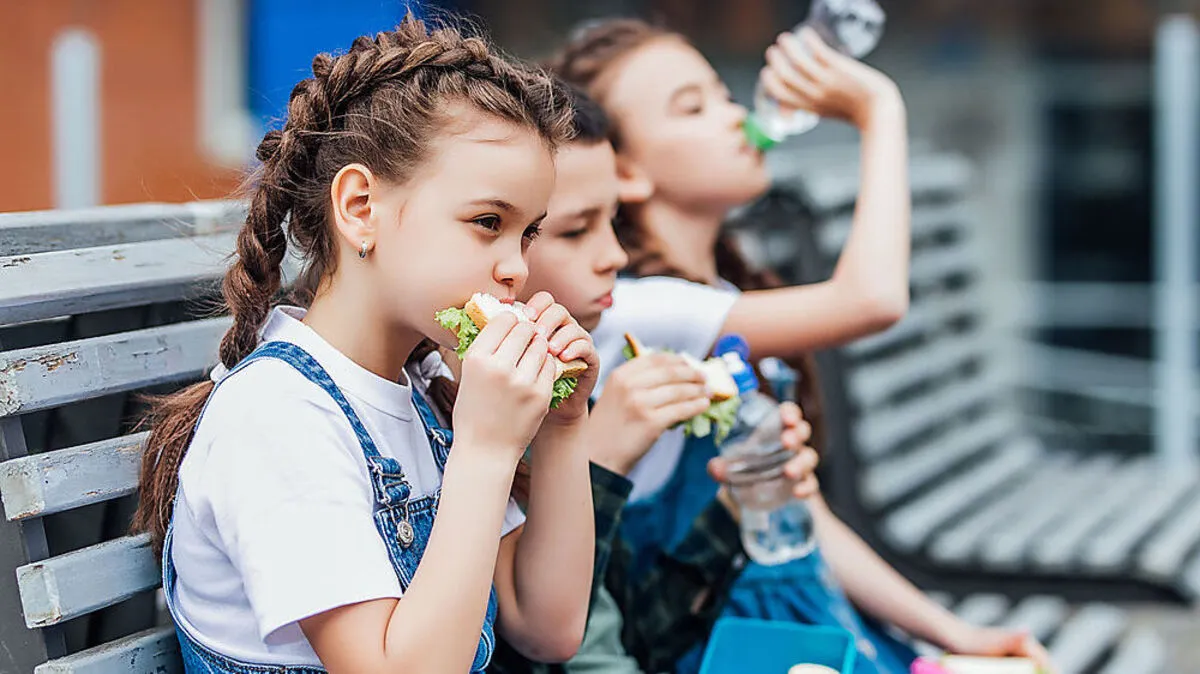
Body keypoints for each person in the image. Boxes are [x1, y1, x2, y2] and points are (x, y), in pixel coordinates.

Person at [549, 20, 1055, 674]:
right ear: (625, 173)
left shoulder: (714, 294)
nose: (736, 116)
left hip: (797, 620)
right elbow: (873, 300)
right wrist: (878, 113)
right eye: (693, 107)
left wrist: (950, 632)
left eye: (723, 95)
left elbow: (795, 507)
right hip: (727, 642)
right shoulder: (639, 310)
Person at [133, 17, 598, 672]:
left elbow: (547, 626)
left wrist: (563, 426)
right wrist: (486, 447)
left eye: (526, 235)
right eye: (487, 222)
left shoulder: (423, 392)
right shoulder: (278, 418)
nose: (517, 269)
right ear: (358, 207)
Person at [477, 86, 820, 674]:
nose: (614, 254)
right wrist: (597, 459)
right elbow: (541, 655)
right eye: (573, 229)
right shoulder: (481, 414)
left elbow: (629, 636)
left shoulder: (562, 390)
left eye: (614, 222)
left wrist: (734, 512)